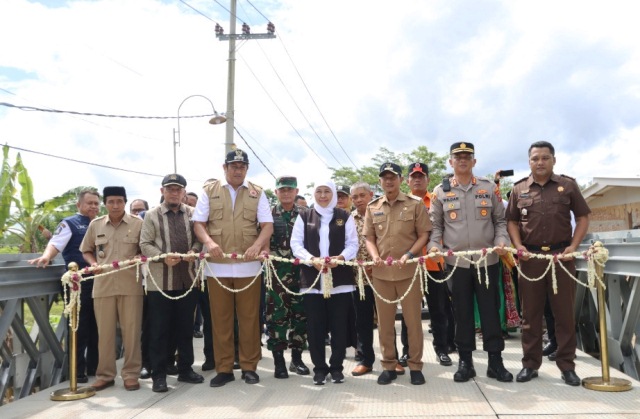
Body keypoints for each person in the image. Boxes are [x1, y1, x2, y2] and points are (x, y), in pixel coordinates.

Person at [506, 140, 590, 386]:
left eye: (544, 157)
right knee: (530, 316)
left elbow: (583, 217)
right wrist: (518, 246)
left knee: (564, 314)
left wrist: (573, 247)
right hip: (530, 259)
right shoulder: (519, 188)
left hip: (561, 259)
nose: (539, 162)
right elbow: (511, 221)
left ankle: (567, 366)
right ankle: (530, 365)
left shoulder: (568, 185)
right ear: (529, 161)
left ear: (554, 160)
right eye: (535, 158)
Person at [428, 142, 513, 384]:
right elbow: (436, 227)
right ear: (450, 162)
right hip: (457, 263)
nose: (462, 160)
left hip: (488, 260)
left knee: (490, 312)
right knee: (462, 313)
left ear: (474, 162)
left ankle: (495, 362)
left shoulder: (488, 188)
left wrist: (501, 240)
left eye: (467, 156)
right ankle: (466, 362)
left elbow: (500, 221)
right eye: (458, 157)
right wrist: (434, 247)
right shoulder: (440, 192)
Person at [193, 149, 274, 387]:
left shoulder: (257, 192)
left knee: (249, 319)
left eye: (242, 166)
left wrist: (258, 245)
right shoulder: (209, 191)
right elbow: (198, 223)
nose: (238, 170)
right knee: (221, 320)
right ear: (224, 168)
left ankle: (249, 367)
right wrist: (208, 242)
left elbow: (267, 225)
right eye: (234, 166)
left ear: (247, 169)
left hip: (249, 267)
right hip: (217, 268)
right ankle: (224, 368)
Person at [364, 162, 431, 386]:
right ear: (380, 181)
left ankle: (415, 366)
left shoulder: (415, 204)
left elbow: (424, 234)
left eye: (393, 177)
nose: (389, 181)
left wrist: (410, 254)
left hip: (409, 272)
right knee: (385, 324)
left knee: (413, 322)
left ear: (401, 180)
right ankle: (389, 366)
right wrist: (373, 256)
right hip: (382, 274)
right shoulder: (373, 207)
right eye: (384, 178)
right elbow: (369, 237)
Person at [139, 174, 205, 393]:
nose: (174, 193)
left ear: (184, 192)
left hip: (188, 278)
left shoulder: (193, 214)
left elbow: (199, 238)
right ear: (162, 192)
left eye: (178, 189)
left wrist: (194, 251)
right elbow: (145, 243)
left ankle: (185, 369)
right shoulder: (151, 215)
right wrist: (161, 256)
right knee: (159, 330)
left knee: (185, 328)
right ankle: (159, 375)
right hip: (160, 282)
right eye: (170, 189)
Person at [29, 188, 101, 383]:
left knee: (99, 326)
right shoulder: (70, 223)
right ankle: (76, 371)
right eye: (90, 203)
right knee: (79, 326)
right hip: (78, 283)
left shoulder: (102, 223)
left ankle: (96, 367)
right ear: (78, 205)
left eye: (96, 203)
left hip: (101, 281)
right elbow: (56, 243)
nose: (94, 206)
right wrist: (46, 256)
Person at [291, 180, 358, 385]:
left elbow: (353, 244)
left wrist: (341, 258)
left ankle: (336, 368)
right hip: (312, 281)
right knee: (315, 328)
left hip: (340, 281)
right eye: (319, 191)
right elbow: (296, 244)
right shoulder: (304, 216)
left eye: (327, 191)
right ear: (313, 194)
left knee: (339, 327)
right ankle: (319, 369)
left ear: (333, 195)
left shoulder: (344, 216)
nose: (323, 196)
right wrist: (312, 260)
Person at [80, 186, 144, 391]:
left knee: (131, 333)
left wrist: (139, 257)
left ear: (125, 202)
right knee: (105, 334)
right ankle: (106, 375)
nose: (115, 205)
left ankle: (131, 375)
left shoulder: (138, 224)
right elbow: (86, 250)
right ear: (105, 204)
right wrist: (92, 264)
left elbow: (146, 249)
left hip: (130, 285)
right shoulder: (96, 225)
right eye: (111, 202)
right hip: (103, 285)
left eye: (119, 201)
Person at [405, 162, 455, 367]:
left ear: (427, 180)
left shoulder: (437, 200)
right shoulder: (401, 202)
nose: (417, 179)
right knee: (410, 312)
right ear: (407, 180)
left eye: (421, 176)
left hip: (434, 265)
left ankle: (442, 349)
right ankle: (407, 352)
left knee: (439, 311)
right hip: (410, 266)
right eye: (413, 176)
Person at [266, 175, 310, 378]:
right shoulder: (267, 213)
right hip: (276, 276)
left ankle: (297, 359)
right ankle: (278, 362)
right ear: (276, 192)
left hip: (301, 275)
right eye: (282, 189)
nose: (286, 193)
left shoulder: (306, 214)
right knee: (277, 318)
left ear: (296, 191)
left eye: (289, 189)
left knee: (301, 316)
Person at [349, 181, 377, 377]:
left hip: (383, 276)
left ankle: (391, 359)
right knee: (363, 321)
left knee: (387, 320)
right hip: (359, 279)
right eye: (355, 197)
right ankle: (365, 360)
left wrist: (376, 265)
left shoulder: (382, 213)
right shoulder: (347, 219)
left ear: (371, 194)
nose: (359, 199)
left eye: (362, 195)